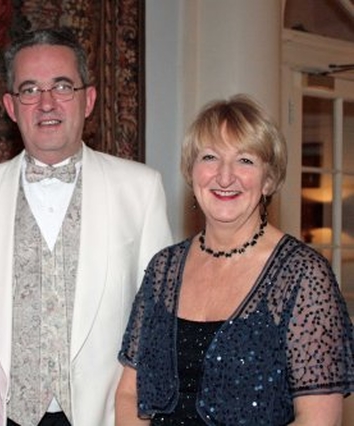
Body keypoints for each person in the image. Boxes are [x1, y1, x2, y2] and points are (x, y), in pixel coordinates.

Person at [0, 27, 173, 426]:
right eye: (30, 89)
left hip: (103, 415)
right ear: (11, 106)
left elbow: (158, 326)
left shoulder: (141, 189)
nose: (46, 103)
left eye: (62, 86)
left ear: (88, 100)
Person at [115, 94, 354, 425]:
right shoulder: (163, 269)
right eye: (210, 157)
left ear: (268, 179)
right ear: (191, 171)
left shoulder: (303, 276)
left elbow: (317, 420)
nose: (224, 177)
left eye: (245, 160)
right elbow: (129, 393)